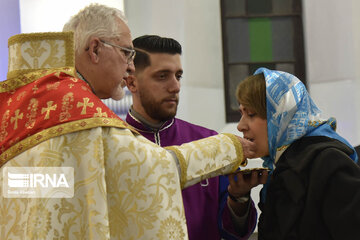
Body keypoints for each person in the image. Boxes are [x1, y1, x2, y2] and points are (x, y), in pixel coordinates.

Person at [0, 4, 257, 240]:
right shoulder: (79, 109)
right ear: (95, 49)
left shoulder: (33, 102)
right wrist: (229, 147)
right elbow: (153, 170)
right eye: (127, 53)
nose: (130, 67)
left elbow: (25, 185)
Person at [125, 35, 267, 239]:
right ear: (132, 83)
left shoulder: (210, 142)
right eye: (162, 76)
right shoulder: (110, 143)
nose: (175, 87)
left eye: (178, 76)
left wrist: (239, 199)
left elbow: (236, 232)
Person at [234, 67, 360, 240]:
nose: (240, 126)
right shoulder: (281, 166)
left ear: (281, 115)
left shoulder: (328, 162)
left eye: (251, 114)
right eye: (241, 114)